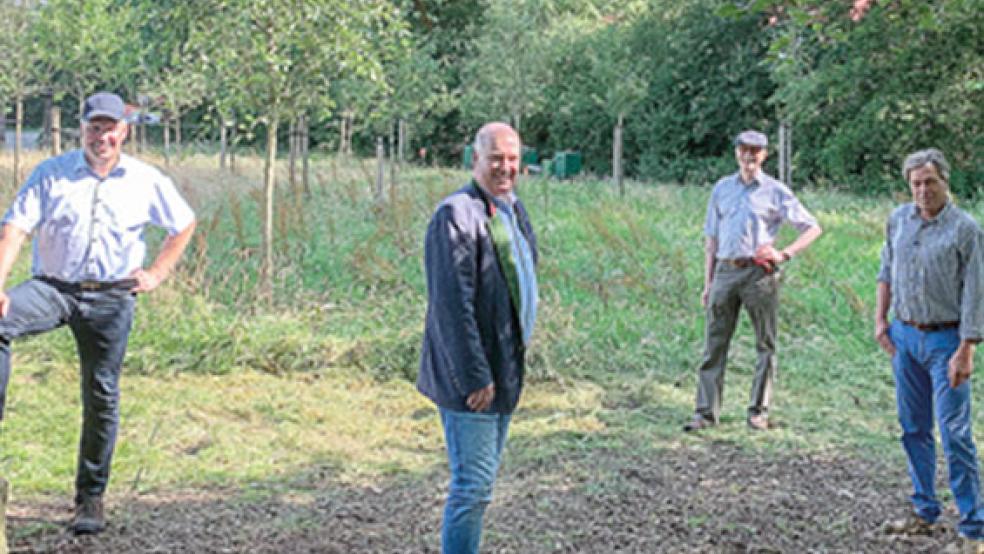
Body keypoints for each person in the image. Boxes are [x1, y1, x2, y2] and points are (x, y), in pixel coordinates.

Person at [0, 92, 196, 535]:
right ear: (82, 129)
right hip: (54, 288)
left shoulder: (146, 180)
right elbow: (14, 228)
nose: (101, 137)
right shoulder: (51, 174)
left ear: (124, 131)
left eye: (110, 129)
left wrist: (157, 274)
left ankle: (90, 498)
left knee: (102, 392)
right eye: (94, 128)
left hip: (111, 296)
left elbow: (183, 223)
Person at [417, 122, 538, 554]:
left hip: (504, 369)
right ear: (475, 160)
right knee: (472, 487)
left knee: (480, 486)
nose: (506, 167)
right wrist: (474, 376)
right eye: (496, 159)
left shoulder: (512, 209)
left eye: (512, 159)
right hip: (473, 381)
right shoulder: (456, 215)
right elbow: (452, 305)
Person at [875, 148, 984, 548]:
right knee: (913, 427)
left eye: (930, 182)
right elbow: (886, 271)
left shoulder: (965, 229)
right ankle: (924, 509)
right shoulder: (898, 220)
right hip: (905, 336)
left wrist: (967, 348)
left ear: (945, 182)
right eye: (916, 183)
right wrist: (880, 321)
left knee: (954, 433)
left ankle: (973, 527)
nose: (923, 190)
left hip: (946, 340)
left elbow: (976, 292)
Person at [684, 130, 822, 432]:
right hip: (725, 270)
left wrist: (784, 254)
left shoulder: (775, 191)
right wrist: (708, 283)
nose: (749, 156)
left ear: (764, 155)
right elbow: (711, 239)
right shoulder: (722, 189)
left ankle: (759, 411)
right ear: (736, 152)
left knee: (765, 344)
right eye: (744, 149)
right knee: (714, 344)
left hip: (760, 275)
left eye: (755, 151)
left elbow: (812, 227)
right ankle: (705, 412)